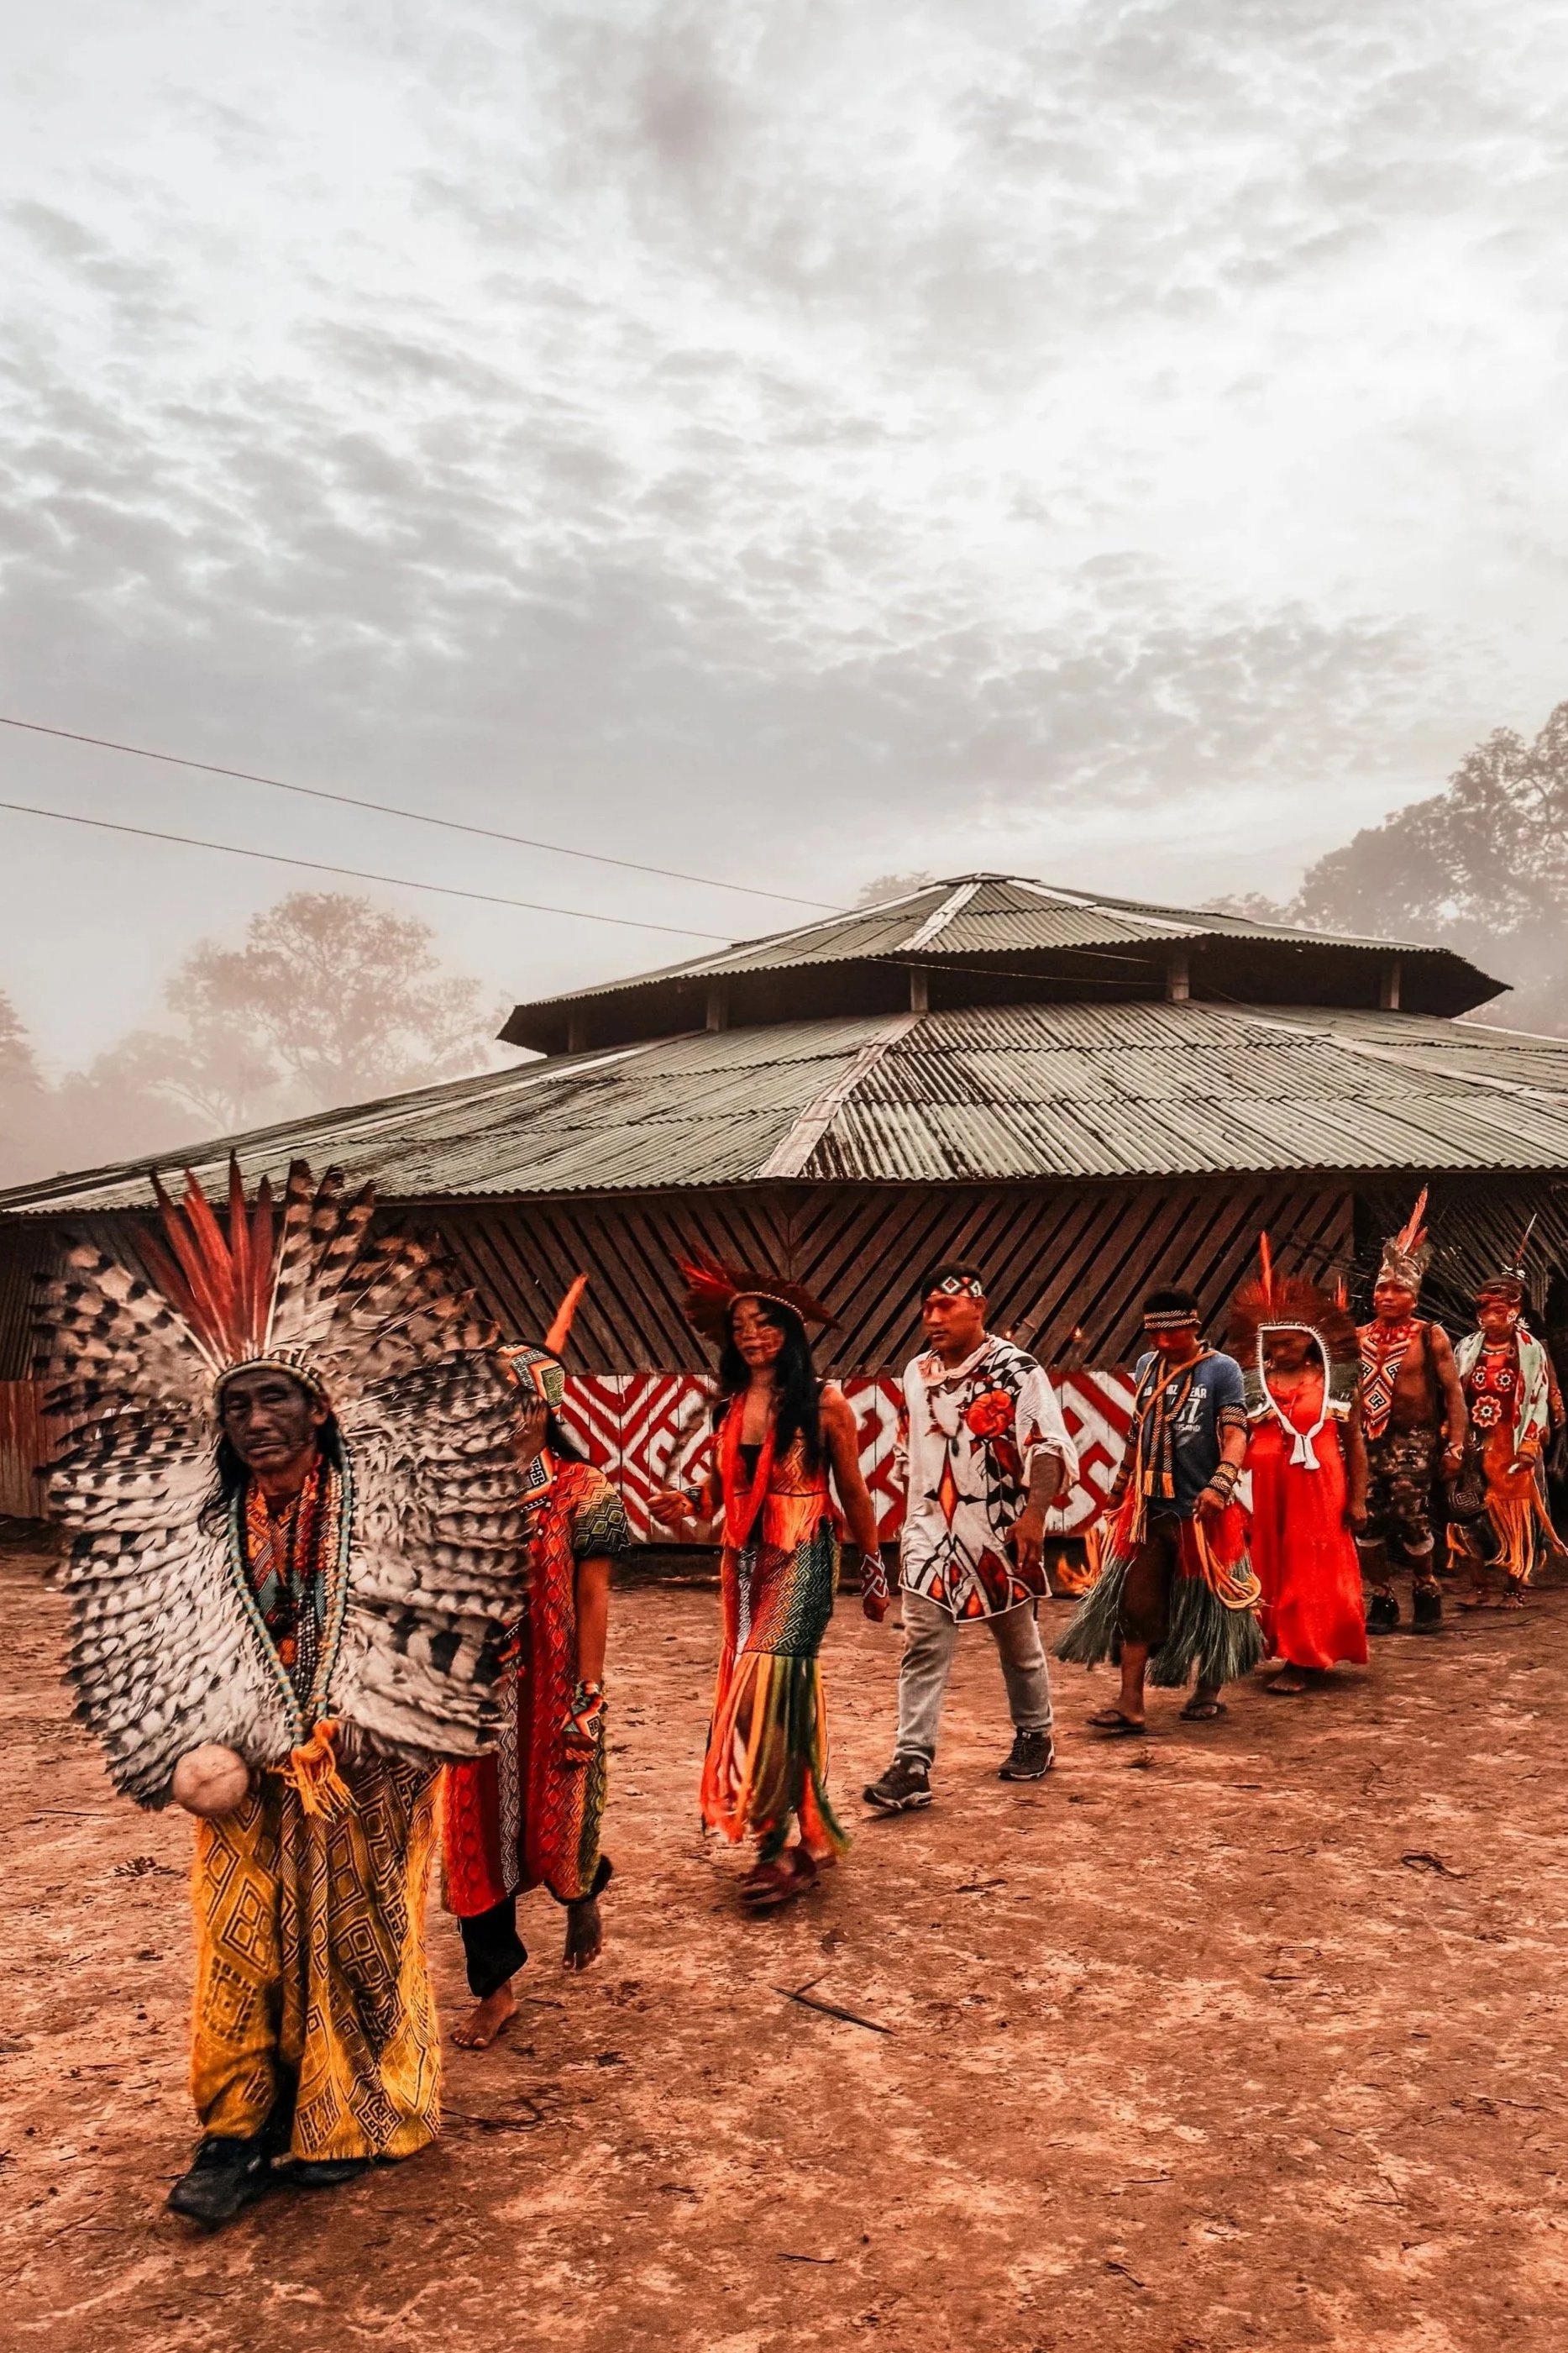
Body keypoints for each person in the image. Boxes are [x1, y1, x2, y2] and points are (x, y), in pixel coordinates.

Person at [39, 1157, 532, 2230]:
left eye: (274, 1397)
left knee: (360, 1937)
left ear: (318, 1404)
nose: (256, 1418)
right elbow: (155, 1634)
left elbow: (457, 1610)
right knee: (240, 1940)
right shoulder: (197, 1522)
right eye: (237, 1404)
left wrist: (368, 1719)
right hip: (247, 1770)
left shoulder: (388, 1496)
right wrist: (198, 1735)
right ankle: (236, 2128)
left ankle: (354, 2115)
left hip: (369, 1762)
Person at [649, 1255, 886, 1910]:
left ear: (788, 1328)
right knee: (771, 1702)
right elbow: (728, 1484)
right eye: (740, 1326)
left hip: (805, 1551)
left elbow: (854, 1490)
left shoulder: (824, 1400)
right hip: (747, 1566)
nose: (752, 1335)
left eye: (764, 1322)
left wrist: (873, 1567)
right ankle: (807, 1838)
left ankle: (780, 1844)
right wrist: (688, 1501)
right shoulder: (728, 1404)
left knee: (764, 1693)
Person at [444, 1281, 632, 2046]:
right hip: (474, 1695)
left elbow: (592, 1599)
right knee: (473, 1837)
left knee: (554, 1822)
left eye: (518, 1403)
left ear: (548, 1409)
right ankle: (496, 1987)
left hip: (551, 1684)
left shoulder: (583, 1491)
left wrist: (587, 1695)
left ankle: (583, 1887)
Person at [862, 1264, 1078, 1813]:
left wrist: (1033, 1515)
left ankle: (1035, 1732)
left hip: (998, 1527)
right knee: (923, 1643)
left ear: (978, 1309)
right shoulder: (916, 1371)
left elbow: (1047, 1442)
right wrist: (909, 1523)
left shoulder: (1016, 1369)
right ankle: (912, 1762)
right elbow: (911, 1450)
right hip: (930, 1530)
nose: (932, 1317)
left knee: (1016, 1638)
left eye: (945, 1306)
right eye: (927, 1306)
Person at [1055, 1285, 1262, 1732]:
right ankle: (1131, 1704)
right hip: (1149, 1512)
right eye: (1156, 1336)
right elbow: (1138, 1432)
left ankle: (1208, 1690)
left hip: (1203, 1511)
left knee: (1212, 1604)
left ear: (1195, 1326)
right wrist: (1117, 1492)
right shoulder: (1148, 1367)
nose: (1165, 1344)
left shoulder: (1222, 1371)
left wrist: (1220, 1483)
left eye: (1175, 1335)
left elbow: (1237, 1431)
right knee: (1137, 1603)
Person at [1227, 1245, 1369, 1694]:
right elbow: (1237, 1435)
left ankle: (1306, 1656)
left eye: (1288, 1343)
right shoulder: (1255, 1383)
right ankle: (1283, 1644)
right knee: (1275, 1563)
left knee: (1312, 1564)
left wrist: (1360, 1497)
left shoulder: (1335, 1383)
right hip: (1269, 1489)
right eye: (1272, 1345)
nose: (1279, 1351)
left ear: (1309, 1340)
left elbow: (1355, 1441)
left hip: (1319, 1486)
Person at [1356, 1190, 1467, 1635]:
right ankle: (1381, 1596)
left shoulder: (1430, 1335)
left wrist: (1456, 1445)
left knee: (1410, 1512)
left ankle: (1425, 1586)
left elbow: (1454, 1395)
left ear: (1414, 1297)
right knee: (1365, 1518)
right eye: (1382, 1287)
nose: (1387, 1295)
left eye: (1398, 1289)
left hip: (1415, 1439)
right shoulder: (1356, 1335)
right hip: (1366, 1441)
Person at [1450, 1247, 1565, 1608]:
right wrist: (1451, 1435)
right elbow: (1453, 1395)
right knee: (1465, 1510)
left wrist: (1531, 1443)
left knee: (1516, 1514)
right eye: (1484, 1310)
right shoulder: (1466, 1349)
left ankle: (1515, 1585)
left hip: (1512, 1441)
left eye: (1499, 1310)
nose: (1490, 1317)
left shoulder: (1531, 1351)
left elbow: (1541, 1397)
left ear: (1516, 1311)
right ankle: (1478, 1585)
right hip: (1474, 1441)